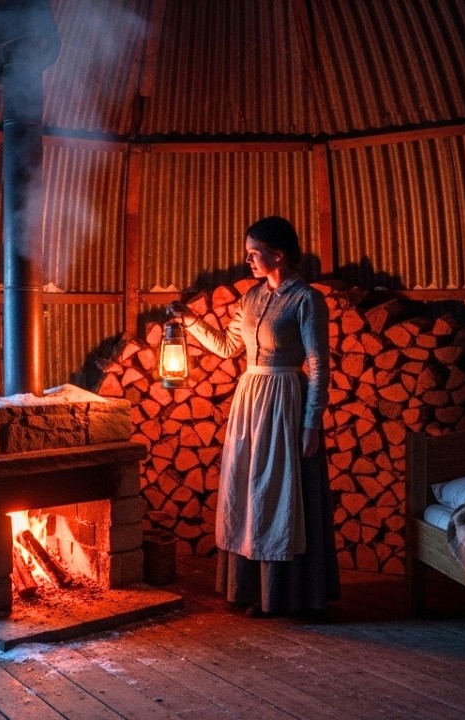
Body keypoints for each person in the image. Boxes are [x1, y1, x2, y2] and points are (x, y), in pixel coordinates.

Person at [167, 215, 340, 619]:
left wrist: (311, 421)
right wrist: (191, 321)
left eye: (253, 253)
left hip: (285, 400)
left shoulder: (306, 300)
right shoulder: (251, 298)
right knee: (248, 490)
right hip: (251, 397)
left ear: (277, 255)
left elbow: (318, 364)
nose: (248, 260)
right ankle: (251, 589)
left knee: (279, 490)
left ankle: (286, 594)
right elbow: (229, 346)